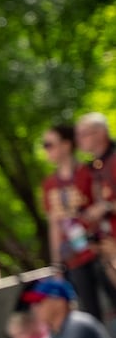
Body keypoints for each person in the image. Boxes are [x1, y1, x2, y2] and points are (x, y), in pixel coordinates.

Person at [39, 123, 108, 320]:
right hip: (73, 257)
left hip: (100, 250)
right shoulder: (49, 184)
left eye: (49, 144)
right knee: (91, 314)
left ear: (67, 145)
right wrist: (57, 265)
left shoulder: (90, 172)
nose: (46, 149)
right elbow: (54, 225)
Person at [74, 112, 116, 323]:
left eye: (83, 134)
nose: (79, 140)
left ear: (101, 133)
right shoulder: (93, 168)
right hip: (108, 246)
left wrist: (106, 206)